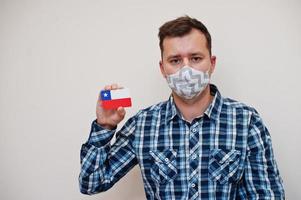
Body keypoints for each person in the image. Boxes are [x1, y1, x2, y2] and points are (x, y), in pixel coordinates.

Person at [79, 15, 285, 199]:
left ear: (211, 63)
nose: (186, 70)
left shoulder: (246, 121)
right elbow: (91, 183)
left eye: (195, 58)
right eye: (175, 60)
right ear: (162, 68)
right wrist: (104, 127)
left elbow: (266, 194)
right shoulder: (142, 125)